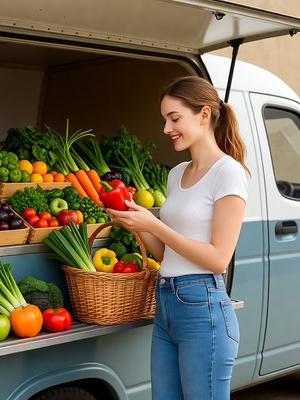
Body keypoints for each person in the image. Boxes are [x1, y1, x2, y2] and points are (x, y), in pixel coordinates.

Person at [106, 76, 249, 400]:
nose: (166, 128)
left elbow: (217, 258)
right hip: (166, 302)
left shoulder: (228, 172)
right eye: (165, 120)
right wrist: (137, 225)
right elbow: (168, 253)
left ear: (204, 114)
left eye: (174, 118)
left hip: (203, 308)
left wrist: (155, 226)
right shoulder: (176, 174)